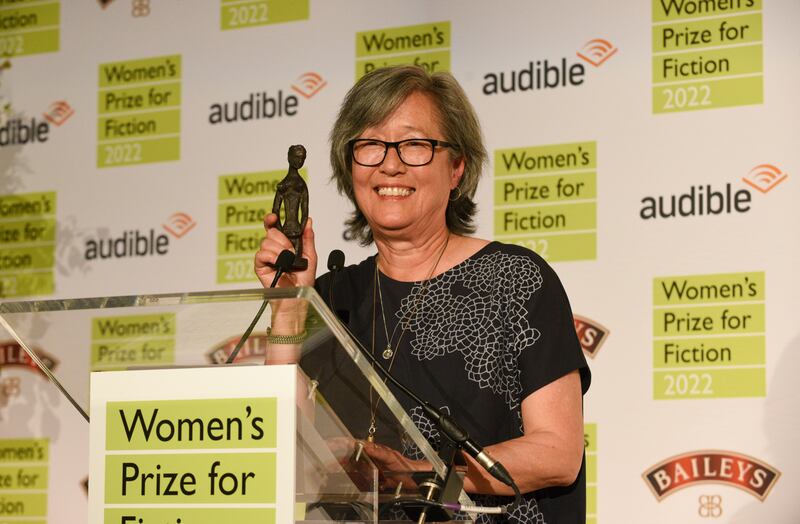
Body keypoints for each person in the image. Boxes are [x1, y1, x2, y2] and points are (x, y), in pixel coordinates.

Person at [255, 65, 591, 523]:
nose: (390, 164)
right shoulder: (331, 295)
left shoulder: (517, 280)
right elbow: (277, 448)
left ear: (456, 168)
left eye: (414, 145)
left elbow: (557, 452)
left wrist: (419, 475)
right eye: (370, 145)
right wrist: (290, 309)